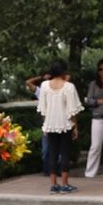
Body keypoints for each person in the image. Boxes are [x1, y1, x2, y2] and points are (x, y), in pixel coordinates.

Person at [35, 60, 83, 193]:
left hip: (50, 125)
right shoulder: (69, 87)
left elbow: (43, 109)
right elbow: (72, 110)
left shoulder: (44, 86)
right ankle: (65, 184)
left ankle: (53, 185)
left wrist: (45, 125)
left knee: (53, 154)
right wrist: (75, 126)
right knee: (65, 153)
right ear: (63, 71)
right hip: (65, 124)